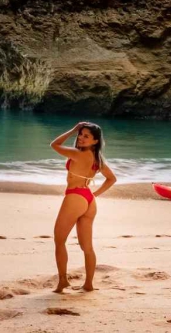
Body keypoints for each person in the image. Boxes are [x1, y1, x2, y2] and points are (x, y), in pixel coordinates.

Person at [50, 121, 115, 293]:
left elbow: (54, 145)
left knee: (59, 240)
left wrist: (72, 129)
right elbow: (112, 178)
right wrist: (94, 194)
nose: (81, 137)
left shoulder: (78, 154)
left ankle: (63, 281)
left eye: (86, 136)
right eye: (81, 134)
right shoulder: (97, 158)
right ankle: (88, 284)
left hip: (75, 197)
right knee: (87, 247)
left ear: (95, 141)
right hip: (88, 199)